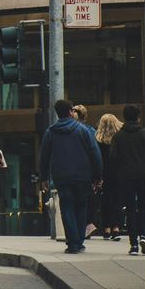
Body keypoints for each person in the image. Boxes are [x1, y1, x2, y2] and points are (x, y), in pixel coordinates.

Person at [41, 100, 103, 253]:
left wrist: (44, 178)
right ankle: (79, 240)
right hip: (83, 176)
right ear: (70, 112)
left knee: (67, 207)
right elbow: (95, 154)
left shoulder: (50, 132)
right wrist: (98, 176)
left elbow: (44, 156)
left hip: (61, 176)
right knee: (81, 206)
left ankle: (73, 242)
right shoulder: (83, 131)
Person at [108, 105, 145, 254]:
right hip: (144, 175)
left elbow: (113, 158)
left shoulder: (118, 136)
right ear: (138, 117)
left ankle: (133, 244)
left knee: (130, 209)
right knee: (144, 207)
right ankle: (144, 234)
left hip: (125, 176)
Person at [94, 114, 122, 237]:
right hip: (117, 173)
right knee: (116, 200)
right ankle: (116, 226)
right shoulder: (119, 139)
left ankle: (106, 228)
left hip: (103, 174)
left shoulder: (97, 140)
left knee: (104, 200)